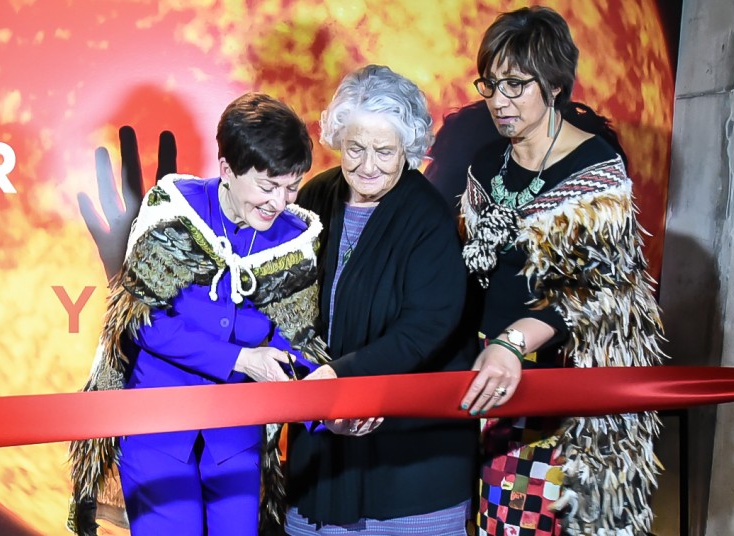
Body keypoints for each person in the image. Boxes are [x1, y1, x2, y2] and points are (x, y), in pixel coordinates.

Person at [68, 93, 327, 536]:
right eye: (267, 186)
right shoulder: (175, 213)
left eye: (292, 186)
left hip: (235, 440)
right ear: (227, 169)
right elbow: (142, 320)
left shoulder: (293, 240)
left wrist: (326, 406)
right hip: (158, 432)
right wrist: (241, 359)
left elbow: (295, 339)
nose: (280, 202)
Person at [458, 7, 665, 536]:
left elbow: (596, 295)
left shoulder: (595, 168)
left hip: (562, 384)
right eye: (490, 84)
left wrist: (511, 342)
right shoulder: (485, 163)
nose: (498, 101)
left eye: (515, 85)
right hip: (491, 376)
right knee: (493, 520)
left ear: (553, 83)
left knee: (547, 521)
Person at [284, 64, 477, 535]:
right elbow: (285, 296)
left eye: (384, 151)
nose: (367, 165)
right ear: (336, 139)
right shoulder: (315, 196)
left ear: (407, 149)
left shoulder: (427, 216)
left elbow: (428, 325)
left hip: (410, 466)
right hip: (322, 445)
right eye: (355, 148)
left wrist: (342, 377)